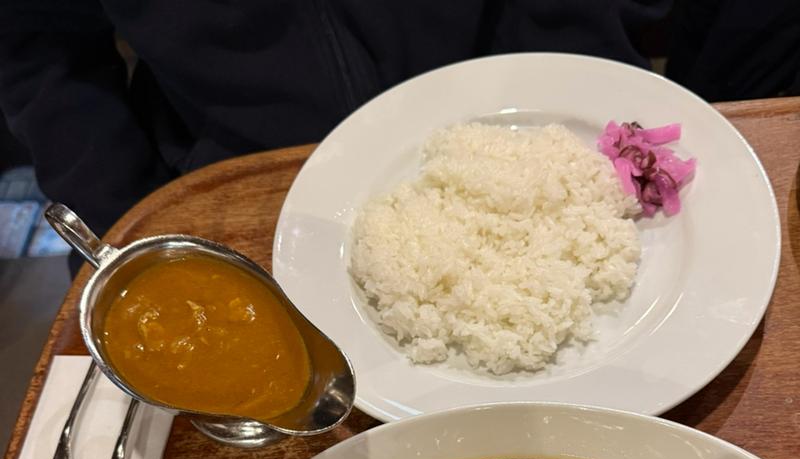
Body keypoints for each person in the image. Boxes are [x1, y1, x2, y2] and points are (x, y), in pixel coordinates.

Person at [0, 0, 670, 246]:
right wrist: (133, 211)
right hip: (229, 181)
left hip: (510, 144)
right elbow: (43, 45)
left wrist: (582, 94)